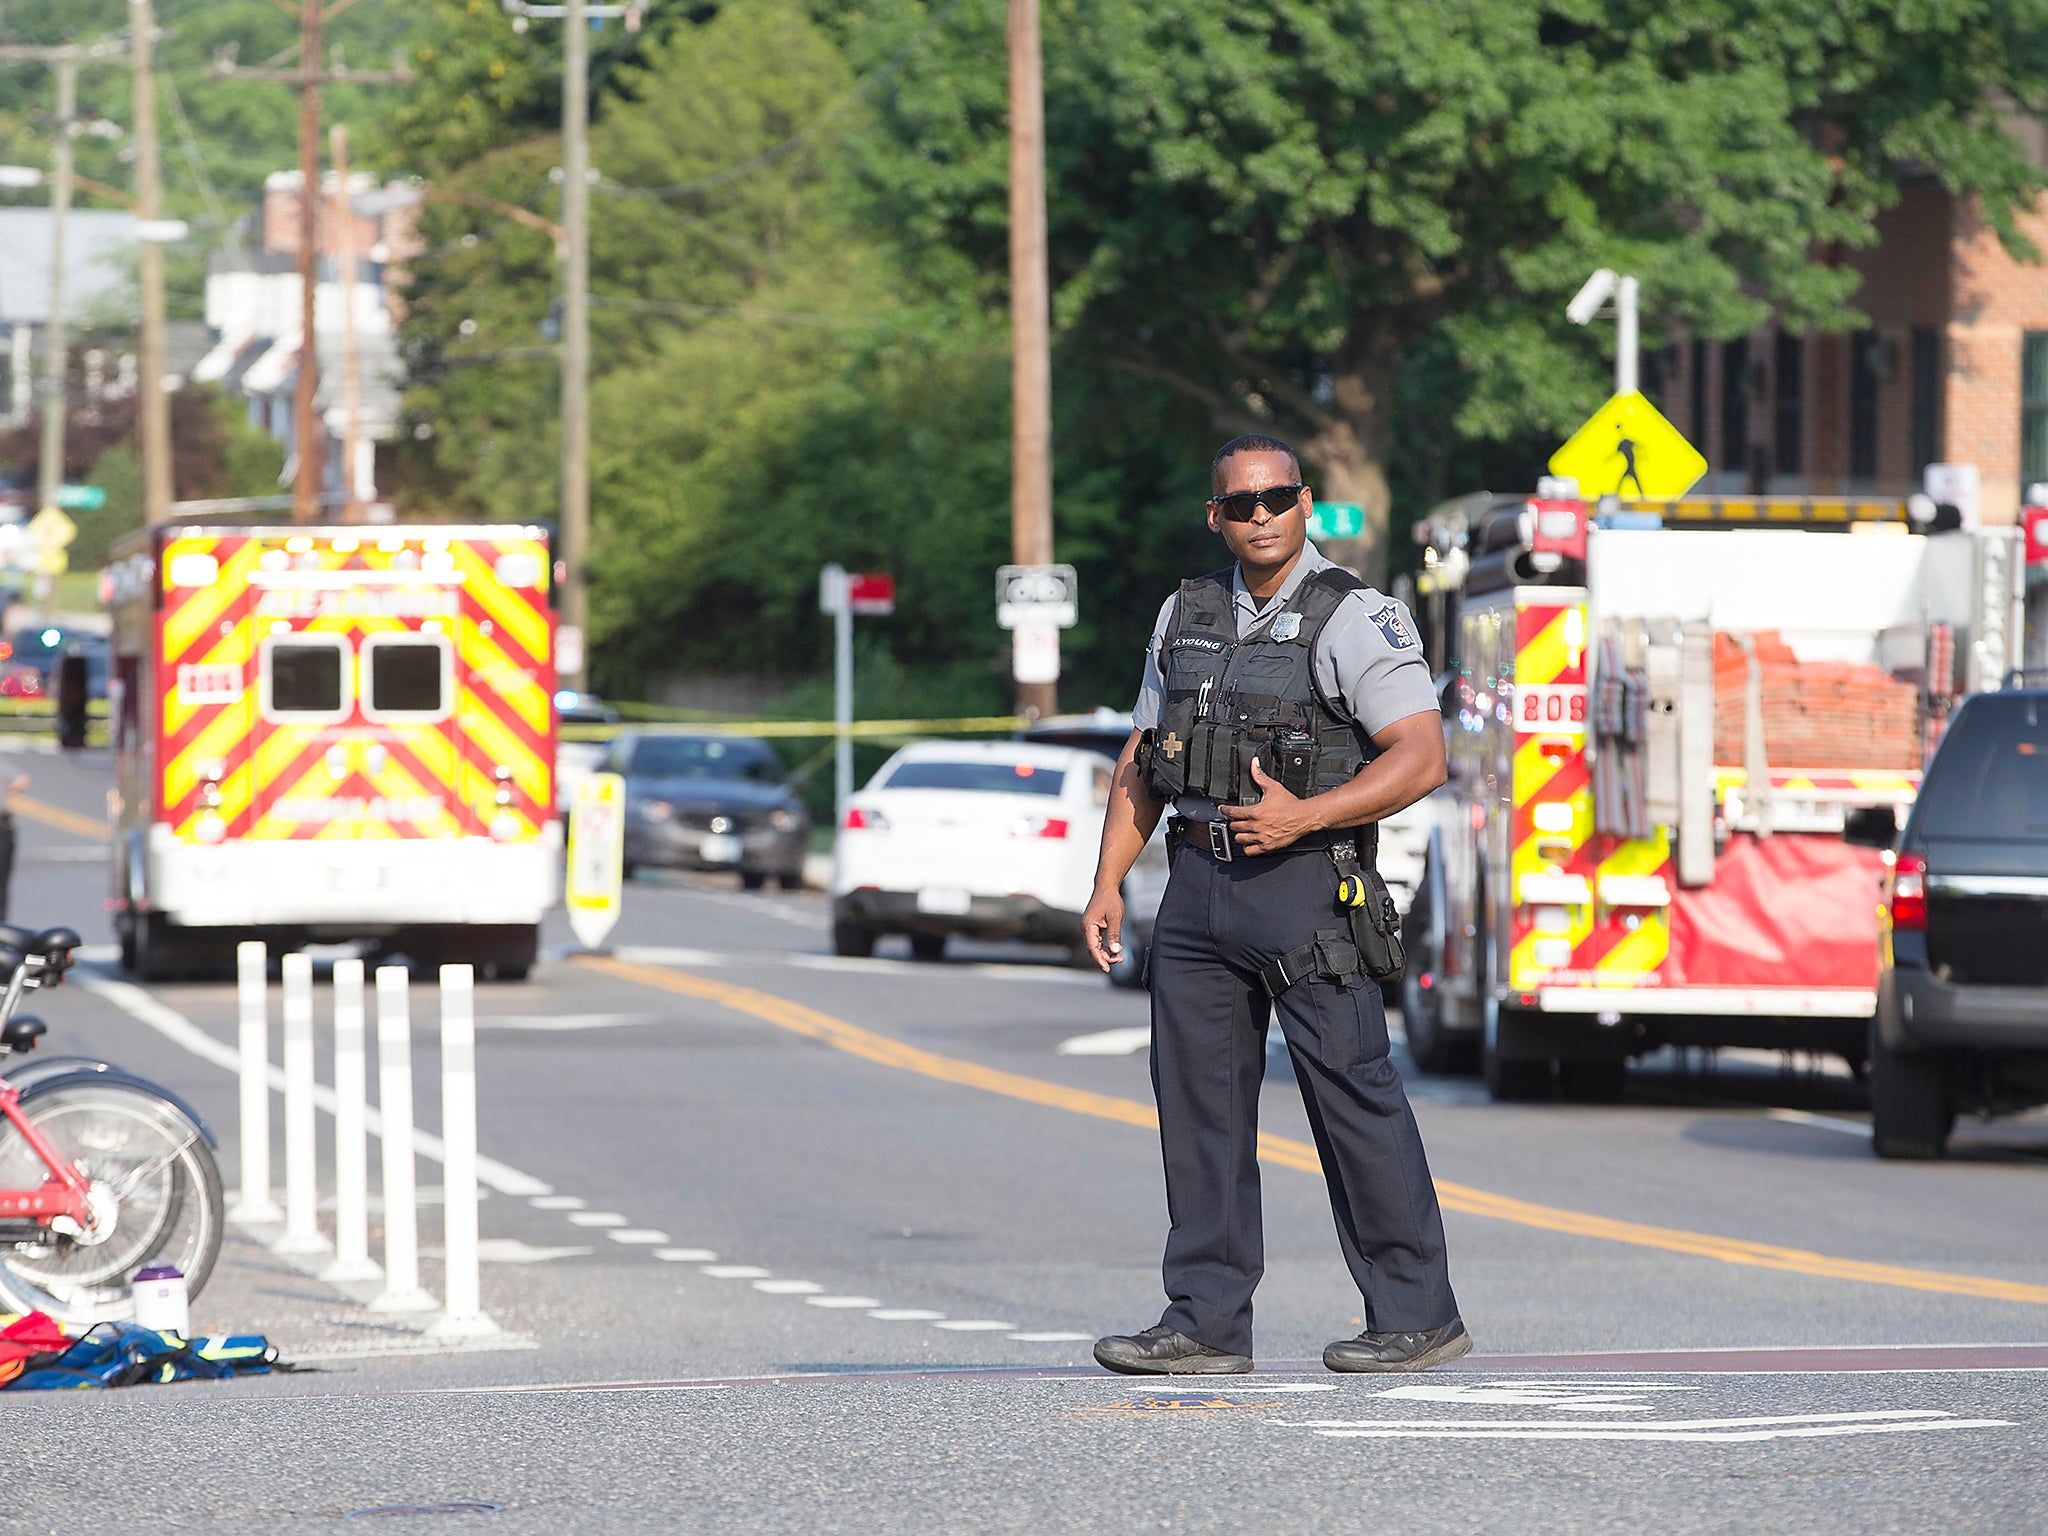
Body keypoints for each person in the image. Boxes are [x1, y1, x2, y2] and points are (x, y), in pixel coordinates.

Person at [1083, 433, 1468, 1375]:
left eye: (1276, 498)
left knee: (1353, 1099)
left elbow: (1422, 755)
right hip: (1197, 885)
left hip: (1306, 889)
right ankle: (1205, 1322)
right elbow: (1144, 756)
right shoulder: (1185, 612)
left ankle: (1416, 1314)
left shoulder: (1353, 616)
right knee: (1198, 1112)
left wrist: (1308, 815)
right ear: (1215, 516)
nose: (1260, 516)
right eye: (1240, 504)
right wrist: (1106, 882)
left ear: (1305, 504)